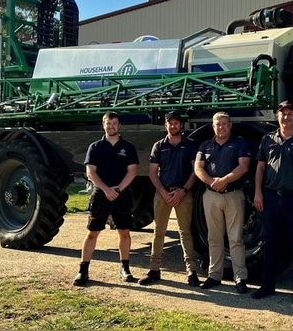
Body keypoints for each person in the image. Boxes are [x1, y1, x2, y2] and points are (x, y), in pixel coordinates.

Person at [251, 100, 293, 304]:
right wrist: (258, 193)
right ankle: (267, 285)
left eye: (290, 113)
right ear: (277, 116)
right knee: (270, 244)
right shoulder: (267, 139)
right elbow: (260, 168)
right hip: (271, 198)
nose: (286, 116)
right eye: (282, 113)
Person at [73, 111, 139, 286]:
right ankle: (83, 270)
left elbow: (132, 171)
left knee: (124, 233)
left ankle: (125, 268)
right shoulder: (95, 147)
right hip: (100, 195)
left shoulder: (128, 147)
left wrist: (117, 189)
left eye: (115, 123)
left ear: (119, 125)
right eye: (108, 123)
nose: (112, 126)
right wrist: (106, 190)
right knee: (92, 233)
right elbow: (90, 172)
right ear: (103, 125)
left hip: (121, 194)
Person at [138, 111, 200, 287]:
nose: (173, 126)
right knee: (159, 232)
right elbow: (152, 172)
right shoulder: (159, 146)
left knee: (185, 232)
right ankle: (154, 269)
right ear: (166, 125)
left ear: (181, 125)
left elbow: (195, 171)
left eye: (176, 123)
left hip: (183, 194)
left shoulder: (190, 145)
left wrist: (183, 190)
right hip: (162, 193)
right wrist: (163, 192)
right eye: (170, 123)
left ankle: (191, 271)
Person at [194, 111, 251, 294]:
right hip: (211, 196)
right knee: (214, 238)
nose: (221, 127)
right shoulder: (205, 145)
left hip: (233, 195)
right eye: (218, 124)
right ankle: (214, 275)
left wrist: (224, 180)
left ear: (230, 125)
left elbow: (244, 167)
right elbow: (198, 168)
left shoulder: (240, 143)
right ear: (213, 126)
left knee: (235, 239)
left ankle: (240, 278)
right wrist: (212, 183)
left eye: (224, 124)